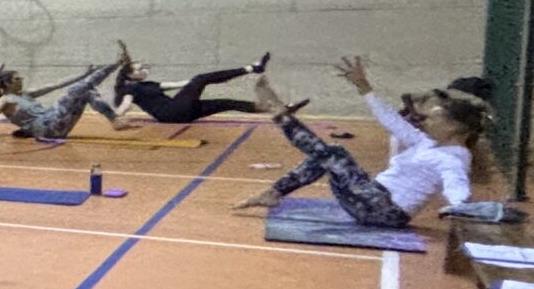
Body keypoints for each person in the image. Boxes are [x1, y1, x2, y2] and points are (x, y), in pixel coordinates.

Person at [234, 59, 482, 224]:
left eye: (432, 119)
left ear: (455, 126)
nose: (424, 122)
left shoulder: (454, 157)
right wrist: (364, 87)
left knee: (335, 155)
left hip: (384, 212)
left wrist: (461, 205)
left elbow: (456, 183)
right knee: (330, 154)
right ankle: (274, 192)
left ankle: (279, 113)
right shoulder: (427, 141)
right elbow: (391, 121)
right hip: (372, 198)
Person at [109, 41, 268, 123]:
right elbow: (126, 103)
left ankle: (270, 108)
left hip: (179, 113)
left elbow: (178, 84)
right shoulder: (130, 89)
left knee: (226, 103)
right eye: (140, 69)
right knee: (201, 78)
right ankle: (251, 68)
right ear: (131, 76)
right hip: (171, 112)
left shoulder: (147, 85)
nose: (144, 70)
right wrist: (115, 116)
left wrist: (194, 83)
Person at [0, 60, 137, 140]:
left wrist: (84, 74)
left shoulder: (26, 94)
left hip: (53, 124)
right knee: (77, 90)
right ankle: (115, 64)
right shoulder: (5, 99)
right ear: (7, 83)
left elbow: (57, 84)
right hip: (46, 128)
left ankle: (114, 119)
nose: (21, 80)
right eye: (17, 79)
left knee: (87, 92)